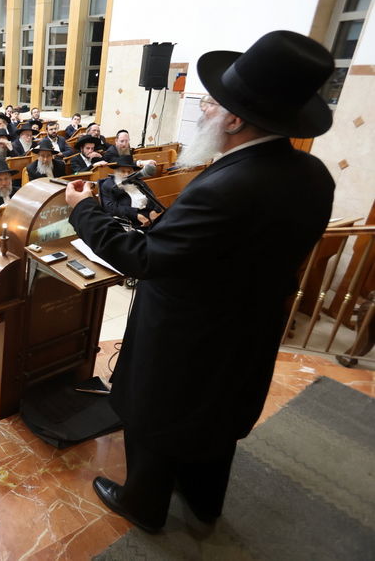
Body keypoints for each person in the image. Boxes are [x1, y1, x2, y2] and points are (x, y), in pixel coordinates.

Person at [64, 30, 336, 533]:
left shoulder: (230, 185)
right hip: (251, 330)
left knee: (158, 416)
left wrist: (83, 210)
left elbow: (143, 257)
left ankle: (143, 505)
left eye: (210, 103)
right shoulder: (314, 175)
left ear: (234, 119)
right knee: (217, 417)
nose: (203, 111)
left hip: (187, 336)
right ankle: (204, 500)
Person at [98, 155, 164, 229]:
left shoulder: (138, 181)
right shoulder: (108, 185)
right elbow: (110, 207)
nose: (126, 174)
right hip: (129, 219)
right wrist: (135, 214)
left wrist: (154, 210)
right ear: (116, 171)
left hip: (149, 214)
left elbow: (152, 196)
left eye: (129, 171)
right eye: (123, 171)